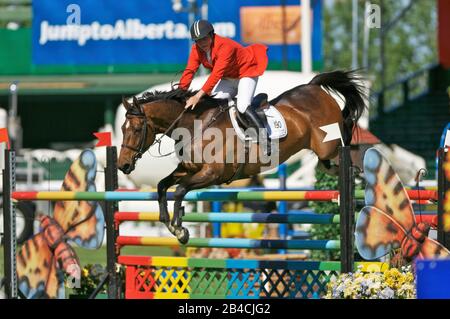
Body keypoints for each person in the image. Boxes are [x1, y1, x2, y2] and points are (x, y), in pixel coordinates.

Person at [179, 19, 271, 156]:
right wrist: (180, 92)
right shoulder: (196, 49)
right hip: (229, 79)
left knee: (242, 106)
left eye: (204, 39)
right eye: (197, 40)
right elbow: (190, 70)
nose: (201, 43)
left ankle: (265, 140)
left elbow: (216, 74)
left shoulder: (225, 45)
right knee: (214, 106)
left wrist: (198, 95)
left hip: (246, 73)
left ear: (211, 35)